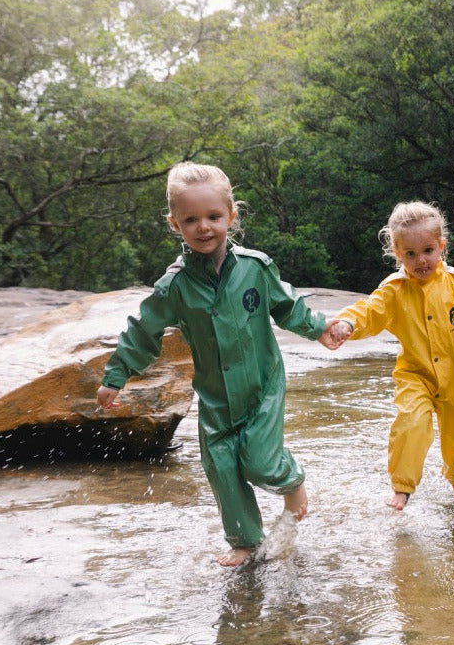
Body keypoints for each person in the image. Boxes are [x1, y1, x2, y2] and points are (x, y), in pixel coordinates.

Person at [97, 162, 342, 567]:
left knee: (260, 461)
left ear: (232, 215)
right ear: (175, 224)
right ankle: (245, 540)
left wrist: (319, 328)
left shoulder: (255, 267)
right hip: (214, 394)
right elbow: (143, 331)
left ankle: (292, 482)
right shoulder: (174, 285)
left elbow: (286, 305)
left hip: (262, 383)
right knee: (222, 466)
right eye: (191, 219)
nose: (204, 227)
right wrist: (116, 376)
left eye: (213, 216)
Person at [326, 201, 454, 510]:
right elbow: (369, 311)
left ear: (441, 246)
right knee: (410, 423)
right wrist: (347, 323)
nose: (421, 260)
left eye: (428, 250)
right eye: (410, 254)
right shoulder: (394, 288)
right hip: (415, 373)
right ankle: (402, 487)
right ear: (398, 254)